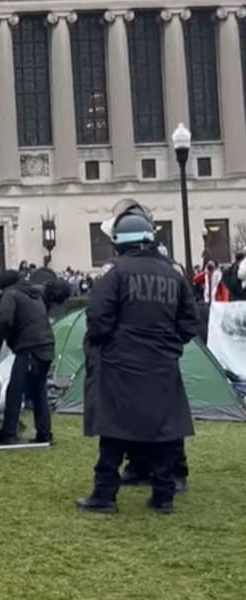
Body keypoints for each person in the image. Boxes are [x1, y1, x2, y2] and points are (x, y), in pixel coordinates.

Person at [75, 207, 202, 515]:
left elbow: (98, 319)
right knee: (163, 430)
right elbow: (189, 323)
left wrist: (112, 343)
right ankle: (163, 497)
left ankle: (104, 495)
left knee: (115, 430)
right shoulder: (174, 273)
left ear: (119, 242)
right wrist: (167, 345)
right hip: (161, 365)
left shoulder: (114, 271)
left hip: (121, 364)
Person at [0, 270, 54, 444]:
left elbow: (5, 319)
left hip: (29, 347)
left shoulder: (10, 294)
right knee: (38, 390)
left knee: (15, 390)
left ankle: (9, 434)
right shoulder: (35, 294)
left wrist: (0, 340)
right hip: (47, 345)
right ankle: (44, 433)